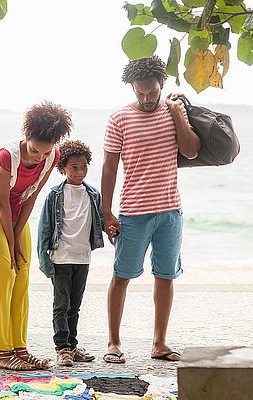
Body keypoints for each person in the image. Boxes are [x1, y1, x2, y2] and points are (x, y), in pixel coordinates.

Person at [101, 56, 200, 364]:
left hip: (170, 211)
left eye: (151, 92)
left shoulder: (174, 112)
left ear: (162, 85)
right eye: (139, 93)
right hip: (134, 212)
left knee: (166, 276)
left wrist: (175, 112)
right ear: (132, 87)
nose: (145, 98)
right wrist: (107, 213)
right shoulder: (119, 119)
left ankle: (159, 343)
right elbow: (108, 168)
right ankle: (114, 342)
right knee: (122, 276)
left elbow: (191, 150)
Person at [0, 101, 72, 371]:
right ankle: (3, 352)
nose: (39, 157)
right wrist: (11, 240)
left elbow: (32, 197)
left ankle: (20, 347)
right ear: (26, 137)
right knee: (5, 270)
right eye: (34, 150)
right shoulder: (7, 156)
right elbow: (2, 202)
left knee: (23, 269)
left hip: (17, 211)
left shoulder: (52, 156)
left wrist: (18, 237)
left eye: (45, 152)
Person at [37, 139, 106, 367]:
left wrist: (114, 229)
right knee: (61, 305)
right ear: (63, 168)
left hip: (83, 257)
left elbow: (101, 222)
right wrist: (44, 260)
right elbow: (44, 229)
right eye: (74, 167)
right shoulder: (55, 195)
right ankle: (62, 348)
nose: (80, 171)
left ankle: (73, 346)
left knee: (75, 305)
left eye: (84, 165)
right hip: (61, 258)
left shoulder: (93, 194)